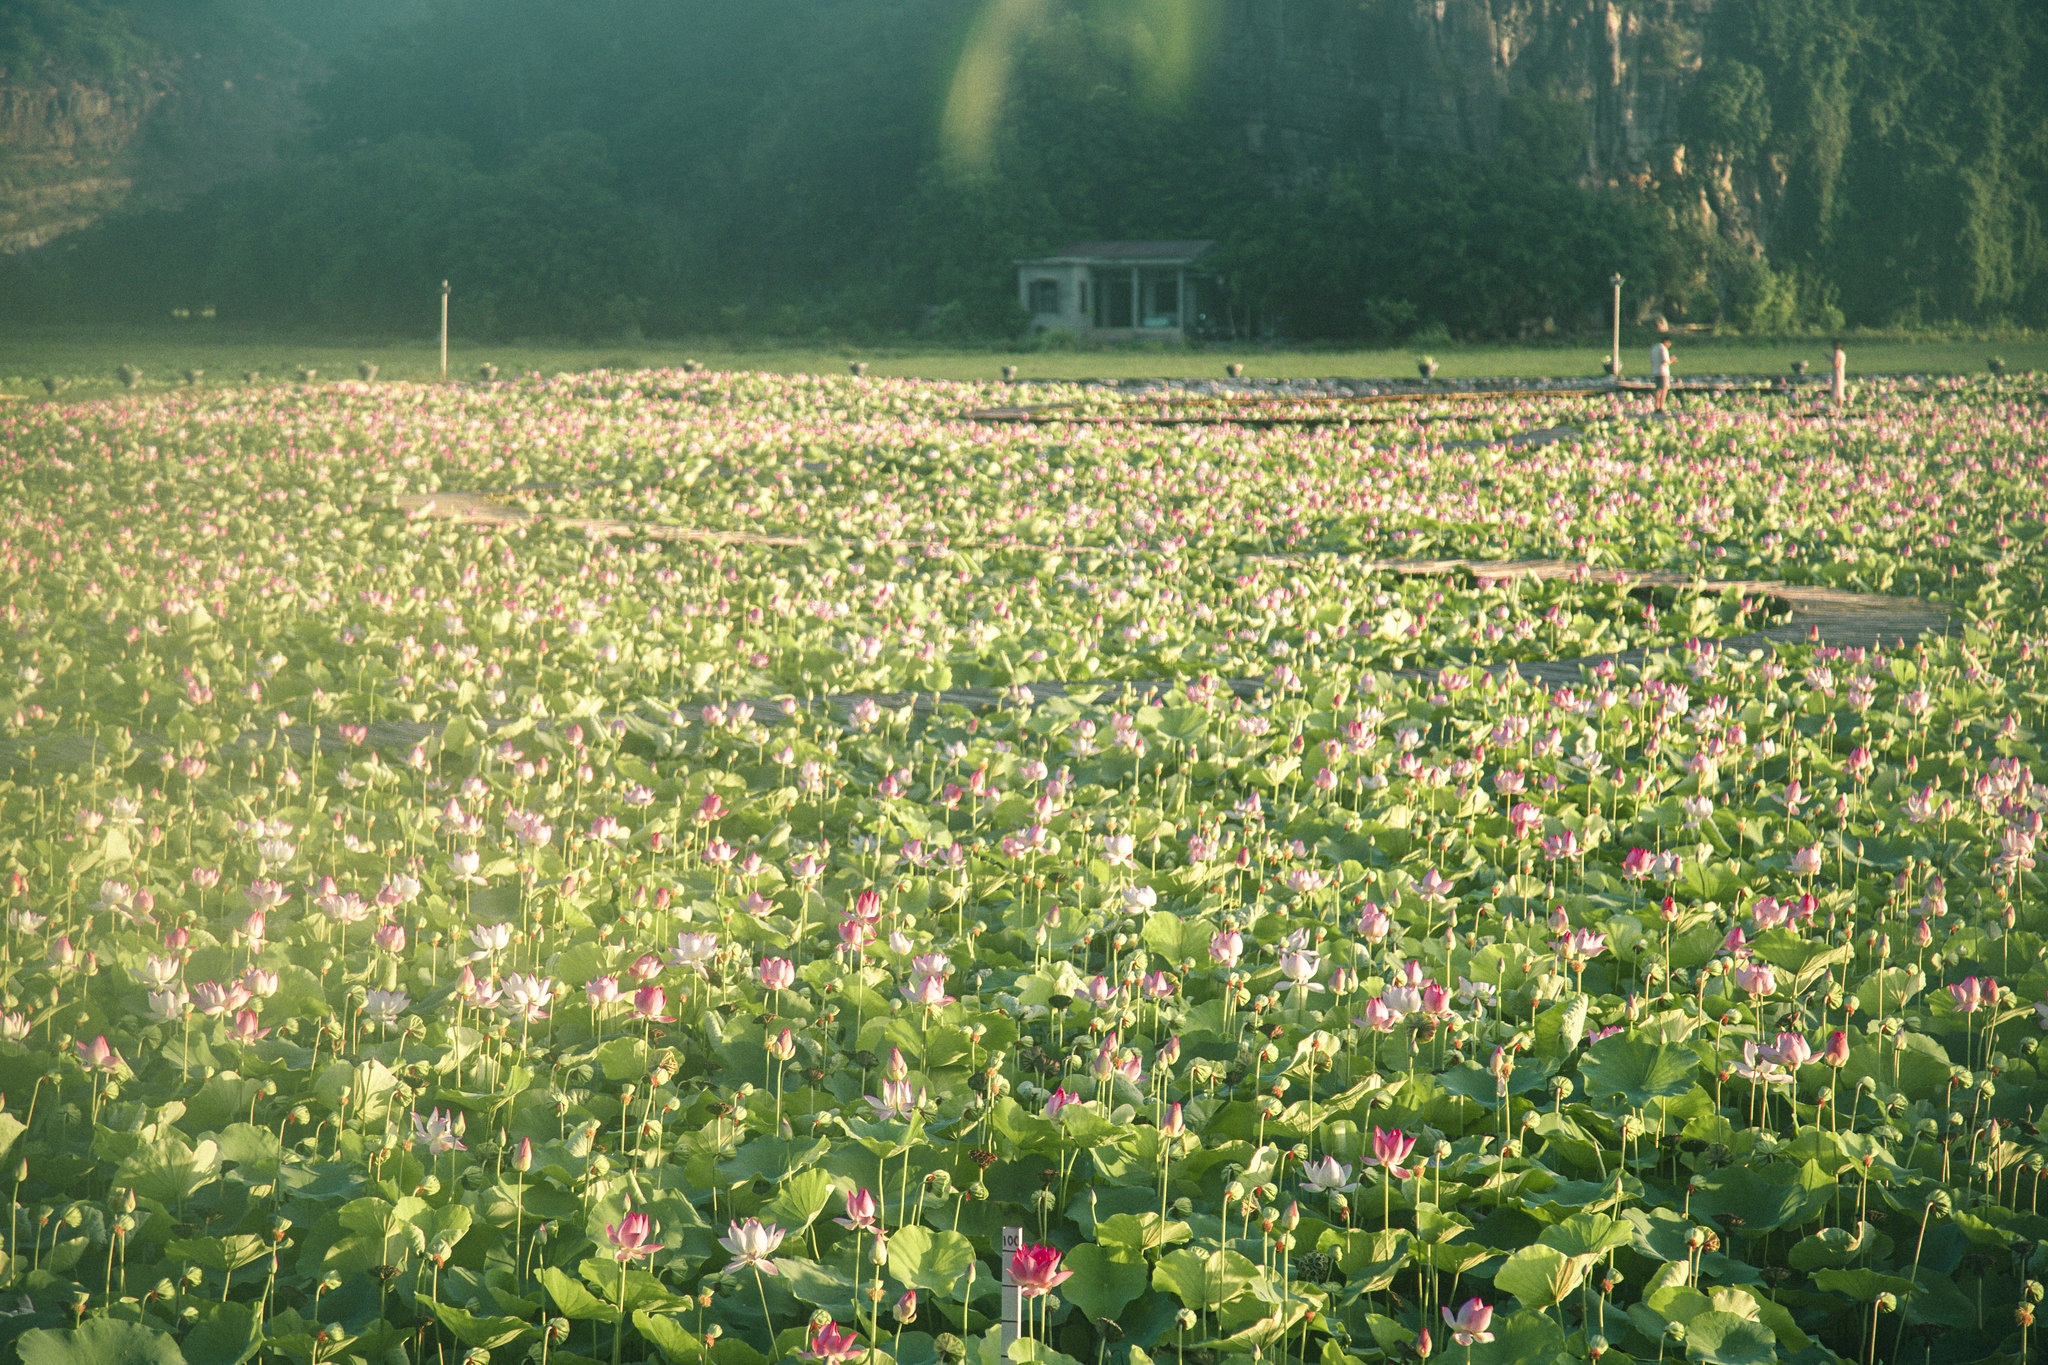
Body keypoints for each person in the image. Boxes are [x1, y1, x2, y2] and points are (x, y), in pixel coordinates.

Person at [1650, 336, 1673, 412]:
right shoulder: (1663, 349)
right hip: (1663, 372)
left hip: (1655, 371)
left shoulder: (1654, 348)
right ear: (1666, 342)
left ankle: (1656, 405)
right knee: (1664, 389)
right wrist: (1672, 360)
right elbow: (1665, 361)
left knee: (1658, 389)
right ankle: (1661, 406)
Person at [1831, 340, 1847, 409]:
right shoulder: (1842, 353)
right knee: (1840, 386)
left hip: (1837, 371)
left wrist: (1830, 359)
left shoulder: (1837, 352)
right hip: (1842, 370)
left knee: (1837, 386)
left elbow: (1836, 363)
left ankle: (1838, 404)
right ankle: (1840, 404)